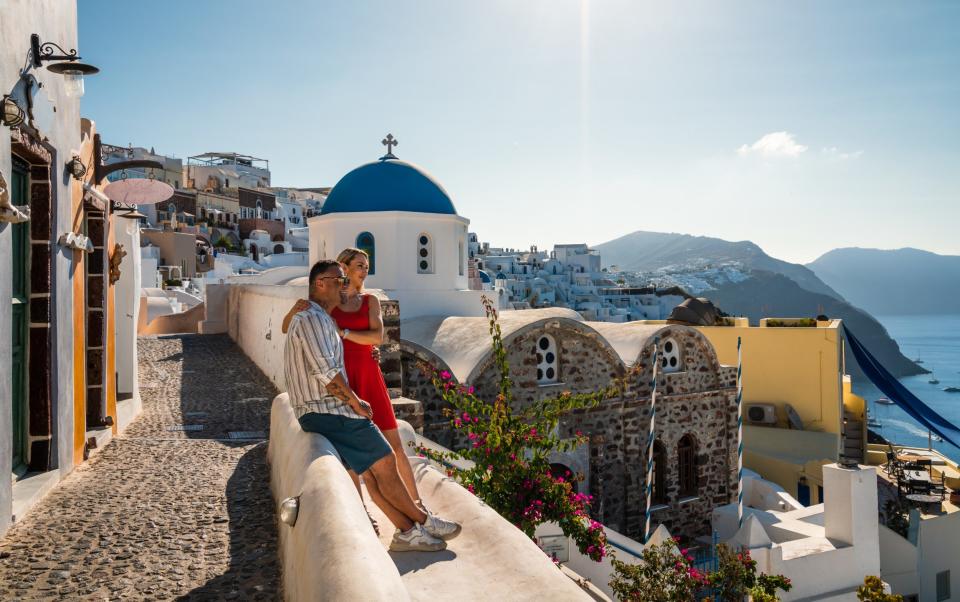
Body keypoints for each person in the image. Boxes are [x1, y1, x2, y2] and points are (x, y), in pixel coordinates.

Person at [284, 260, 461, 551]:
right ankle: (424, 520)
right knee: (386, 461)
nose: (344, 286)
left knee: (374, 471)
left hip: (321, 409)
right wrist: (356, 403)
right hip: (327, 409)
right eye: (338, 280)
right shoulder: (314, 318)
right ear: (319, 284)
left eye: (345, 280)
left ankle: (406, 532)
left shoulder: (318, 318)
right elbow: (327, 373)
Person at [282, 248, 423, 510]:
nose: (364, 270)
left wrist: (344, 332)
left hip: (367, 373)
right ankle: (362, 511)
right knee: (352, 455)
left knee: (393, 444)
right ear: (343, 268)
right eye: (359, 265)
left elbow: (376, 338)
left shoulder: (370, 301)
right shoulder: (328, 302)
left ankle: (417, 503)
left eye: (366, 265)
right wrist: (293, 311)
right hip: (341, 376)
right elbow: (290, 327)